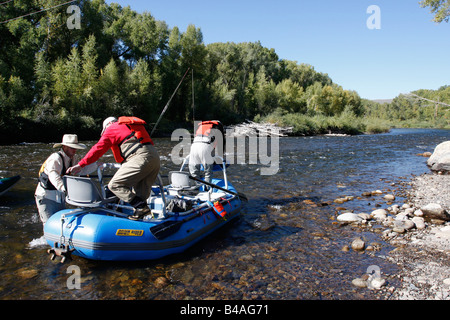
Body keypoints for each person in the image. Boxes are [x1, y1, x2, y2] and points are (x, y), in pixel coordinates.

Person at [66, 116, 160, 220]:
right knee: (141, 192)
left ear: (107, 125)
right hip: (154, 157)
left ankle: (141, 208)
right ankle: (141, 215)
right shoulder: (128, 125)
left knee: (115, 185)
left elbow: (98, 149)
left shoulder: (112, 128)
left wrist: (81, 164)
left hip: (140, 156)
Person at [35, 134, 97, 224]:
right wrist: (63, 188)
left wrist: (96, 165)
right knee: (48, 224)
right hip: (46, 197)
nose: (74, 150)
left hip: (60, 197)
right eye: (72, 147)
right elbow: (53, 175)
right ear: (64, 147)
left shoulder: (73, 158)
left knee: (61, 224)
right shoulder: (55, 158)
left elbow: (81, 170)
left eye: (75, 148)